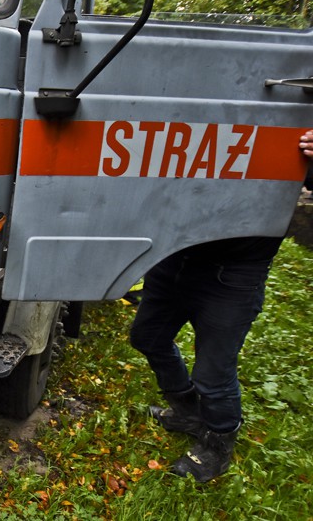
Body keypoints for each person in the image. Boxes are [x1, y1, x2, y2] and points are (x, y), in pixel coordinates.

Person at [129, 132, 312, 483]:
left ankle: (217, 446)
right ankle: (187, 413)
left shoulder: (291, 120)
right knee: (148, 336)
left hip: (233, 271)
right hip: (174, 255)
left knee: (213, 374)